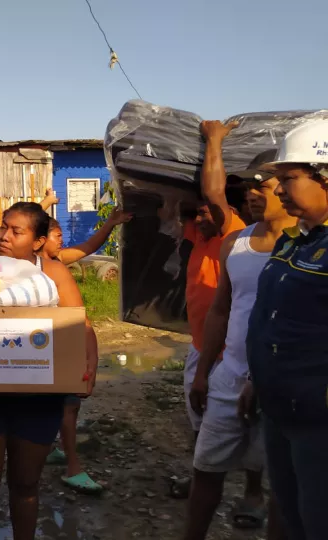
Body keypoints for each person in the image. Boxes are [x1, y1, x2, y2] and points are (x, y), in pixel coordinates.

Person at [0, 202, 99, 540]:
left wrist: (89, 367)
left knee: (25, 485)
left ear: (38, 241)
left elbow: (81, 326)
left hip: (38, 399)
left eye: (16, 231)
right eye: (3, 227)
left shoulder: (54, 272)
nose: (4, 236)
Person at [184, 149, 296, 539]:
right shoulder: (236, 243)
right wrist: (204, 372)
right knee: (205, 469)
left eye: (262, 186)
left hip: (281, 383)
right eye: (250, 187)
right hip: (229, 376)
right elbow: (220, 311)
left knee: (282, 485)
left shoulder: (308, 247)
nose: (252, 193)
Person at [246, 119, 328, 540]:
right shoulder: (292, 241)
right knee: (293, 516)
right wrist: (255, 379)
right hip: (279, 410)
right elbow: (269, 316)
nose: (278, 190)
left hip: (318, 421)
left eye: (289, 178)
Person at [164, 120, 247, 498]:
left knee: (243, 417)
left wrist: (214, 139)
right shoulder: (200, 235)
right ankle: (202, 473)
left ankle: (253, 492)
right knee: (198, 411)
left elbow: (213, 193)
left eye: (204, 213)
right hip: (201, 343)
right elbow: (174, 207)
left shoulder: (232, 231)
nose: (198, 219)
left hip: (229, 348)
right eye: (194, 215)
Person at [39, 211, 130, 494]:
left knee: (63, 404)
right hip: (50, 345)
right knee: (66, 405)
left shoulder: (56, 261)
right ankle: (73, 467)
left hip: (63, 343)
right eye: (57, 235)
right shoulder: (30, 268)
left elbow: (88, 247)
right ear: (40, 239)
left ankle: (51, 450)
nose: (61, 240)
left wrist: (110, 224)